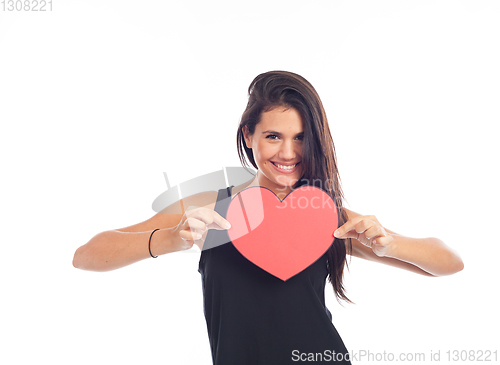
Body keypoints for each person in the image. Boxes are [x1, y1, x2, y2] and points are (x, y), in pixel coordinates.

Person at [73, 70, 464, 364]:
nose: (288, 153)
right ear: (248, 135)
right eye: (273, 136)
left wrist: (389, 243)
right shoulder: (211, 209)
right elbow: (86, 255)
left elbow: (449, 262)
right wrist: (171, 239)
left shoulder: (323, 214)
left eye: (301, 137)